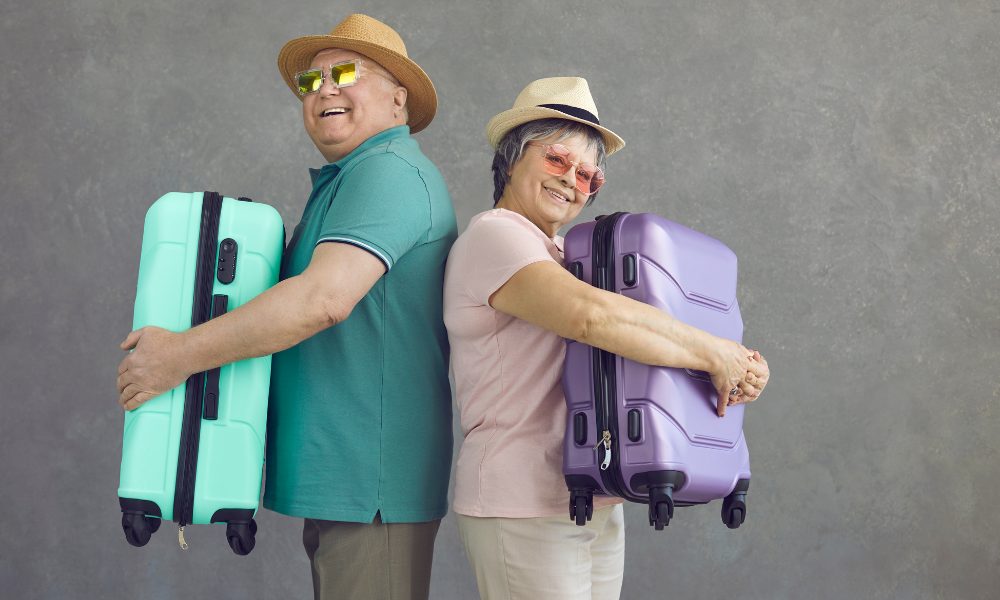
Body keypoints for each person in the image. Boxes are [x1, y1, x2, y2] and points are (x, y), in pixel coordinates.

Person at [116, 14, 457, 600]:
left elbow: (321, 301)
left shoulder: (390, 173)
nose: (323, 89)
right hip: (347, 484)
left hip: (368, 486)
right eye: (310, 82)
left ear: (398, 100)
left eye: (344, 72)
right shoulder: (351, 178)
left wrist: (177, 357)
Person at [443, 77, 770, 600]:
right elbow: (591, 319)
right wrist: (712, 353)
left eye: (589, 176)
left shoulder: (560, 253)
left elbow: (630, 336)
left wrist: (739, 363)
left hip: (590, 492)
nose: (572, 181)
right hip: (523, 500)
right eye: (557, 160)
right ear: (511, 156)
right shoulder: (496, 236)